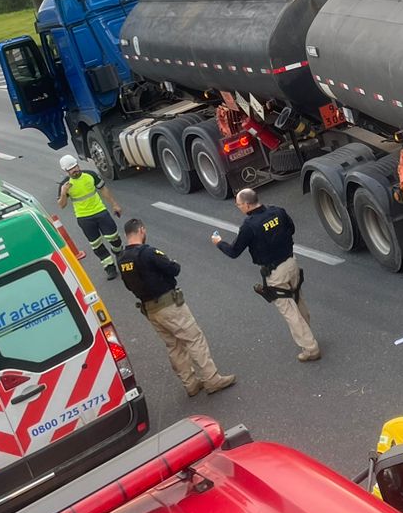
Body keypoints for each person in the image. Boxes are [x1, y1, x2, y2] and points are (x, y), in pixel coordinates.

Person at [117, 219, 235, 397]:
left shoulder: (122, 260)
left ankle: (191, 384)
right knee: (194, 339)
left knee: (174, 346)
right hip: (169, 305)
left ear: (127, 235)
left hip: (150, 309)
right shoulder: (148, 252)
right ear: (141, 230)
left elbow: (128, 285)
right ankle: (212, 380)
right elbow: (173, 269)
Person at [212, 188, 321, 361]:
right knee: (298, 298)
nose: (238, 207)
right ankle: (308, 333)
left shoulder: (249, 226)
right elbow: (291, 229)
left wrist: (219, 243)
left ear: (247, 205)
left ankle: (310, 348)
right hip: (291, 263)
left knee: (289, 311)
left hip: (275, 273)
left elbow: (234, 251)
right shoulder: (278, 211)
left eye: (239, 205)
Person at [56, 152, 124, 279]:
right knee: (96, 244)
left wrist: (115, 204)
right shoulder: (65, 185)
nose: (75, 170)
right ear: (66, 171)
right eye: (71, 169)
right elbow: (61, 205)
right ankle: (109, 267)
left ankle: (119, 254)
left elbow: (103, 189)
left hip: (100, 211)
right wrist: (64, 193)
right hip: (84, 218)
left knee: (113, 237)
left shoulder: (90, 175)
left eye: (75, 166)